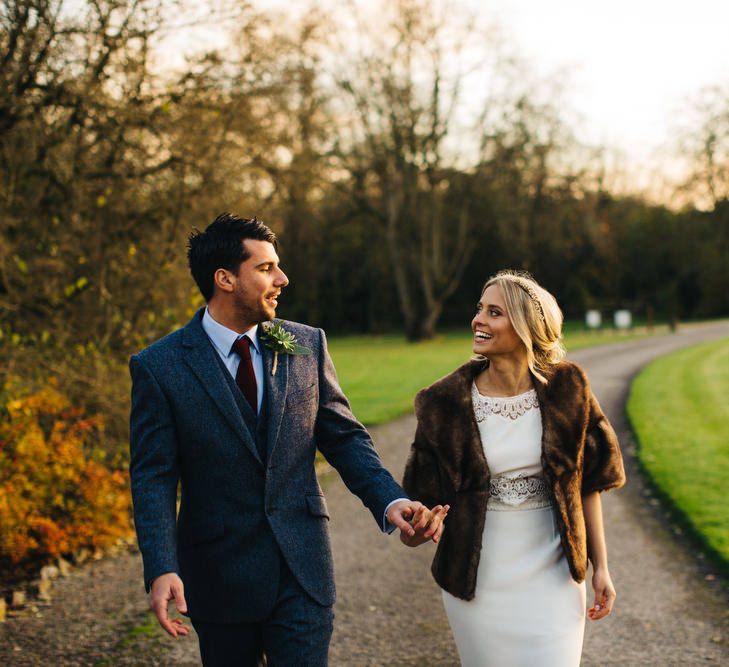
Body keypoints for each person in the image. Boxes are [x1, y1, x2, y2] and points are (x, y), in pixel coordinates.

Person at [129, 213, 442, 666]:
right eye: (265, 268)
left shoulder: (305, 344)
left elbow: (345, 439)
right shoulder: (160, 367)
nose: (282, 278)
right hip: (218, 575)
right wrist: (161, 565)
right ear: (225, 279)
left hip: (303, 570)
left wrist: (390, 501)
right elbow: (153, 476)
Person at [401, 270, 626, 666]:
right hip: (477, 585)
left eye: (494, 312)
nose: (478, 321)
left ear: (526, 326)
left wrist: (601, 568)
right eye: (479, 310)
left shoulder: (569, 388)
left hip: (555, 578)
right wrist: (421, 525)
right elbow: (415, 518)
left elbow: (587, 484)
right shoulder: (441, 403)